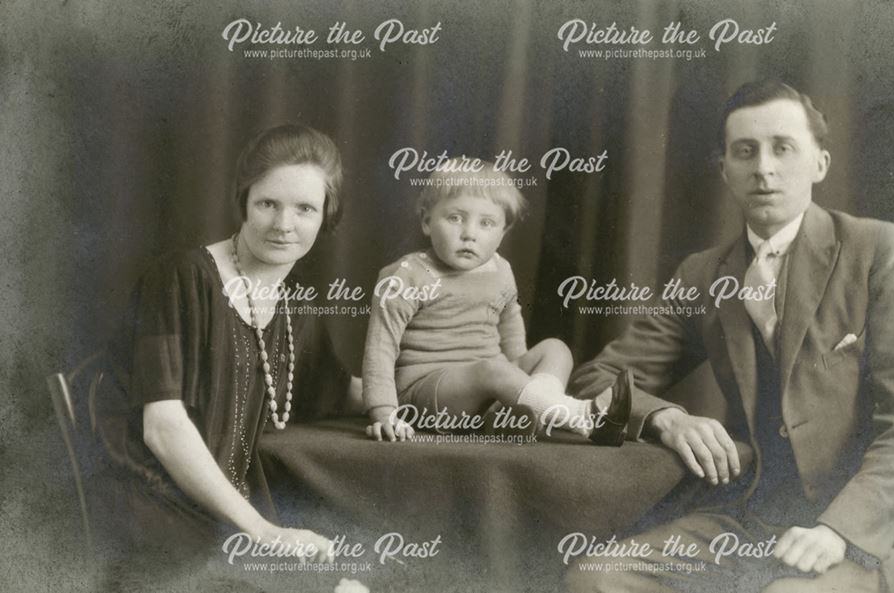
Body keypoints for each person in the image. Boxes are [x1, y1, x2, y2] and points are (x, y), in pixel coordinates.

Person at [565, 81, 894, 593]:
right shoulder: (703, 275)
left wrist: (839, 531)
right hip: (758, 515)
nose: (764, 168)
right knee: (596, 578)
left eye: (783, 147)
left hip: (885, 524)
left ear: (819, 163)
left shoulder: (877, 249)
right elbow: (593, 381)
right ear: (725, 170)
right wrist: (664, 418)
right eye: (745, 151)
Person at [94, 124, 361, 575]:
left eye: (305, 209)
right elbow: (162, 428)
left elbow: (336, 391)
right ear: (243, 202)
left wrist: (455, 398)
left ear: (326, 217)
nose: (283, 225)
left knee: (361, 568)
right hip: (152, 502)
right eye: (268, 204)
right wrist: (264, 532)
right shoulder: (180, 278)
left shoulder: (296, 301)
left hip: (231, 511)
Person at [361, 161, 631, 445]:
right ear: (427, 221)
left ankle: (516, 412)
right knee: (492, 370)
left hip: (489, 382)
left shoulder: (500, 270)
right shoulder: (405, 275)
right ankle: (582, 418)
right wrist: (385, 413)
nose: (469, 233)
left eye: (486, 223)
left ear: (503, 232)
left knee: (556, 349)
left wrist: (517, 380)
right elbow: (380, 348)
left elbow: (511, 326)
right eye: (455, 218)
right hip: (427, 393)